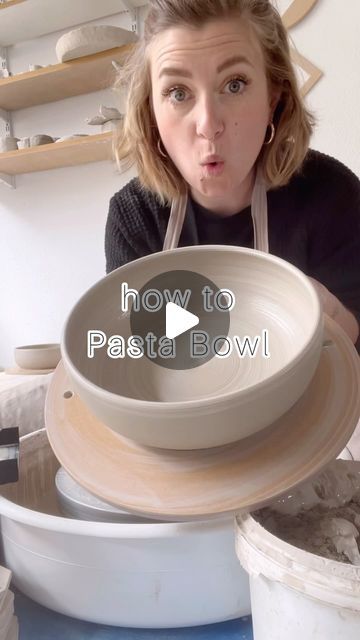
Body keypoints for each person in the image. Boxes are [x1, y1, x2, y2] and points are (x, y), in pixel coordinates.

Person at [105, 0, 359, 351]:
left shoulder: (332, 195)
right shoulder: (134, 219)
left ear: (274, 96)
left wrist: (336, 319)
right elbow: (132, 360)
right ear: (151, 112)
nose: (208, 125)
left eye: (234, 85)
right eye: (178, 93)